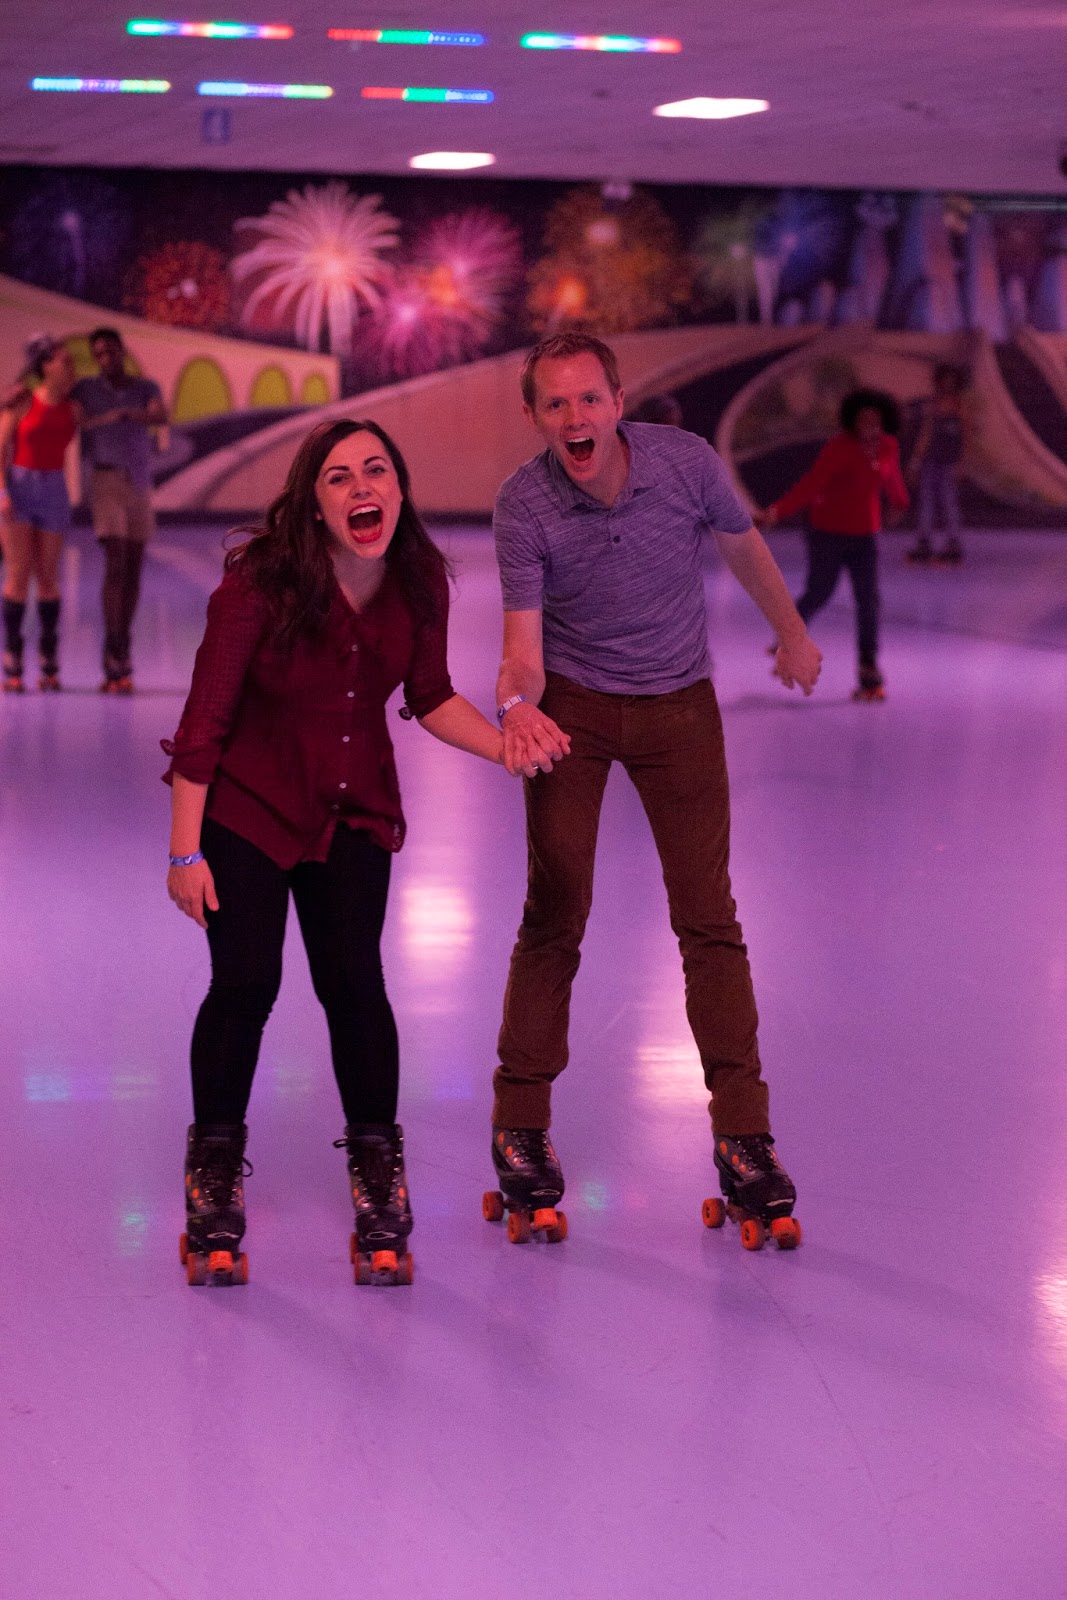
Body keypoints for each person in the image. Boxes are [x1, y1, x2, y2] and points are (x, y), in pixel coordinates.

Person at [486, 331, 822, 1248]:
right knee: (554, 910)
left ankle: (744, 1140)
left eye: (588, 399)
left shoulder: (684, 464)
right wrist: (516, 702)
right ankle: (520, 1132)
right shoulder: (523, 504)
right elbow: (522, 642)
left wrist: (789, 633)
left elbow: (743, 543)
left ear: (618, 400)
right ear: (533, 416)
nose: (574, 418)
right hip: (575, 714)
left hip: (679, 708)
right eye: (554, 404)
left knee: (707, 917)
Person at [163, 418, 512, 1287]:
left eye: (377, 471)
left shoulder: (419, 578)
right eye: (339, 478)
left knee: (354, 984)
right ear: (313, 504)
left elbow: (429, 695)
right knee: (245, 982)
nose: (363, 488)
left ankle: (376, 1168)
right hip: (247, 810)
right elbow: (203, 726)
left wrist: (509, 746)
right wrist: (182, 853)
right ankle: (211, 1175)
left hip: (354, 811)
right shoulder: (257, 588)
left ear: (399, 487)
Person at [758, 388, 908, 703]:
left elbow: (891, 477)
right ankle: (788, 638)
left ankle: (868, 668)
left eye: (876, 420)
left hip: (864, 535)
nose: (870, 425)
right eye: (864, 419)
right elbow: (811, 484)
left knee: (868, 601)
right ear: (852, 421)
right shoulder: (839, 448)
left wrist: (899, 502)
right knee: (819, 591)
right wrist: (776, 511)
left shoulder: (887, 446)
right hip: (827, 532)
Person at [72, 327, 167, 692]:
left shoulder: (144, 387)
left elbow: (160, 416)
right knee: (116, 561)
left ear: (122, 351)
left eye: (112, 351)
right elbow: (74, 416)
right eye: (100, 354)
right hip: (106, 481)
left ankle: (123, 645)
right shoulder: (86, 389)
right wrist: (111, 419)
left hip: (140, 482)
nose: (107, 359)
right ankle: (111, 649)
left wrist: (130, 413)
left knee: (134, 567)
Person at [0, 336, 80, 692]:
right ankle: (13, 653)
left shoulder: (75, 408)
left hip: (53, 490)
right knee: (18, 575)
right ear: (46, 366)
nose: (71, 367)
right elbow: (0, 449)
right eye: (65, 361)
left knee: (47, 577)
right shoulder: (21, 402)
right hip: (19, 488)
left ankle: (48, 655)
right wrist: (2, 492)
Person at [906, 363, 972, 566]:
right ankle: (924, 541)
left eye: (951, 379)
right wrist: (915, 462)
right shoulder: (933, 405)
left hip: (949, 462)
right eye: (945, 378)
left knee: (948, 502)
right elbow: (925, 435)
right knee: (926, 502)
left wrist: (963, 462)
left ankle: (953, 542)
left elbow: (966, 436)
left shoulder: (961, 406)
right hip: (930, 461)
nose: (947, 383)